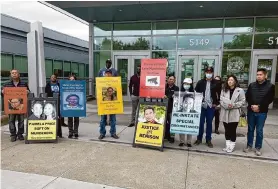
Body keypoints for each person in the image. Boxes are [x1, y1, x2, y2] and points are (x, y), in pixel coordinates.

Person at [244, 68, 275, 156]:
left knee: (259, 130)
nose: (258, 76)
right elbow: (248, 97)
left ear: (265, 76)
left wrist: (259, 107)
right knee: (250, 129)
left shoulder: (270, 86)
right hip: (251, 111)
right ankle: (249, 145)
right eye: (257, 75)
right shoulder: (252, 85)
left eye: (260, 75)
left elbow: (270, 99)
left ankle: (258, 147)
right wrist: (252, 105)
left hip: (262, 112)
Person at [194, 67, 221, 148]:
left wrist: (216, 103)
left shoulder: (216, 83)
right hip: (201, 106)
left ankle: (208, 140)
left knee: (209, 123)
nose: (208, 73)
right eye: (207, 72)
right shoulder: (200, 82)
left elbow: (219, 94)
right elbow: (196, 93)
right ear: (205, 73)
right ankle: (199, 138)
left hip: (210, 106)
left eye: (210, 72)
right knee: (200, 123)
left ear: (212, 73)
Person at [1, 69, 30, 142]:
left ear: (18, 74)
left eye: (15, 73)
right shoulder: (6, 84)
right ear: (11, 75)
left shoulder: (24, 84)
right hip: (11, 106)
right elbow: (3, 95)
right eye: (12, 73)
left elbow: (28, 93)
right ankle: (13, 135)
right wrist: (2, 92)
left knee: (21, 120)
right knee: (11, 120)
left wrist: (27, 92)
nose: (14, 74)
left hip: (21, 106)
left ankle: (20, 134)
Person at [220, 75, 246, 153]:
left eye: (231, 80)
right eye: (228, 80)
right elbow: (221, 100)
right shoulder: (224, 90)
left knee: (232, 130)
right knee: (226, 130)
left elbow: (242, 101)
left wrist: (233, 105)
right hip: (225, 112)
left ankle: (232, 146)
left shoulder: (240, 90)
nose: (230, 81)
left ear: (235, 81)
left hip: (234, 113)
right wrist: (226, 105)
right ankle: (227, 145)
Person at [98, 70, 119, 140]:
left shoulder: (115, 82)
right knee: (102, 120)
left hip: (113, 106)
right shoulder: (101, 82)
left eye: (109, 74)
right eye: (106, 74)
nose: (108, 75)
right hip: (104, 106)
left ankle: (113, 133)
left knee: (113, 120)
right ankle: (102, 133)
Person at [98, 59, 118, 126]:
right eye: (107, 62)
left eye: (109, 63)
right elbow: (98, 81)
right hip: (103, 94)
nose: (108, 64)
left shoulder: (114, 71)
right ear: (105, 63)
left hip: (112, 94)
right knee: (103, 114)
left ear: (111, 63)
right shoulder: (101, 70)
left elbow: (117, 82)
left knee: (113, 115)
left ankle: (113, 132)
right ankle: (102, 132)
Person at [179, 78, 194, 147]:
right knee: (182, 126)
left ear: (191, 85)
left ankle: (189, 142)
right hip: (182, 111)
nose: (186, 85)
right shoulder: (180, 92)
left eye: (188, 84)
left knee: (189, 126)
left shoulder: (194, 92)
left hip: (190, 113)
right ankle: (181, 141)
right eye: (185, 84)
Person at [165, 75, 179, 143]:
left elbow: (175, 97)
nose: (171, 80)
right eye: (170, 79)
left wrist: (168, 96)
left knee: (171, 123)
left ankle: (172, 137)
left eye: (173, 79)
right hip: (164, 108)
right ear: (168, 80)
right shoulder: (164, 87)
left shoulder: (176, 88)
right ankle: (166, 135)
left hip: (172, 109)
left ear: (174, 80)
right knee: (165, 123)